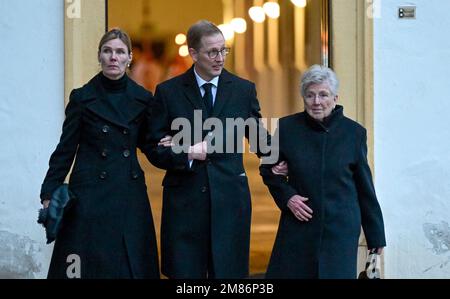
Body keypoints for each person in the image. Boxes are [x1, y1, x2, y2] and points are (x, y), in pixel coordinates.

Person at [146, 20, 273, 279]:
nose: (219, 58)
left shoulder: (242, 90)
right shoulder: (168, 92)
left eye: (223, 50)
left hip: (230, 202)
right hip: (184, 203)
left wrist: (288, 156)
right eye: (211, 52)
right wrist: (188, 151)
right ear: (193, 54)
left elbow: (260, 140)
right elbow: (153, 147)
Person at [40, 29, 164, 279]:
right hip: (89, 197)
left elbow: (149, 145)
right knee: (87, 267)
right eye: (107, 51)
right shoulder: (83, 98)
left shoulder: (142, 99)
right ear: (99, 56)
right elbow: (65, 149)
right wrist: (49, 191)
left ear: (130, 58)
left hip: (129, 195)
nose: (113, 57)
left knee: (129, 267)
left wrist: (172, 147)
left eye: (119, 52)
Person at [260, 64, 386, 279]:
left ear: (335, 97)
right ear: (303, 98)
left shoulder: (354, 133)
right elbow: (268, 170)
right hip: (299, 225)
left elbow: (365, 187)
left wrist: (376, 237)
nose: (316, 102)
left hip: (340, 229)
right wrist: (288, 197)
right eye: (310, 95)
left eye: (323, 95)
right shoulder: (287, 127)